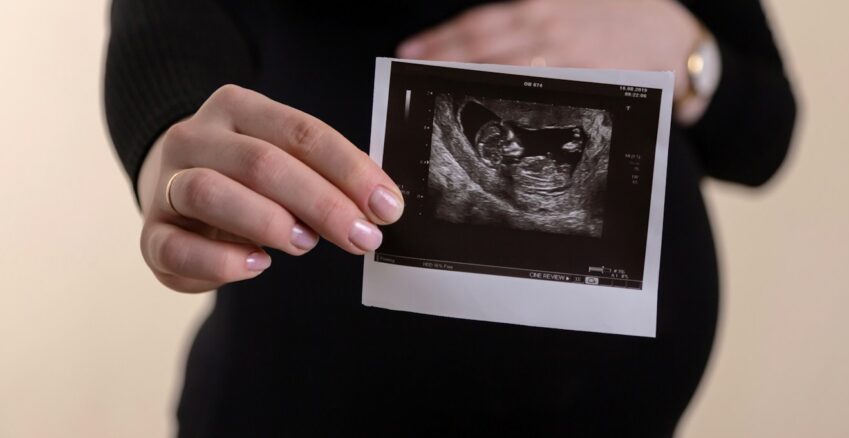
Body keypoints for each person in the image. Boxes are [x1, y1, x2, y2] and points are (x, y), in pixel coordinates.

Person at [104, 0, 796, 436]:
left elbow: (763, 135)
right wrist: (170, 135)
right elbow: (170, 22)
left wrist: (688, 49)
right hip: (299, 398)